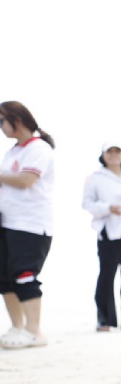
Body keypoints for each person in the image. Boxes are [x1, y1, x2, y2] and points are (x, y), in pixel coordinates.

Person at [0, 101, 56, 350]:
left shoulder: (39, 149)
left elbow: (25, 180)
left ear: (17, 120)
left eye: (2, 121)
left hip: (31, 223)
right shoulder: (12, 152)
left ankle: (35, 332)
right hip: (7, 221)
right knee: (4, 278)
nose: (0, 127)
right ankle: (17, 327)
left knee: (25, 275)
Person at [82, 144, 121, 331]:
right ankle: (105, 319)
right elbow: (86, 203)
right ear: (103, 155)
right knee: (107, 276)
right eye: (109, 152)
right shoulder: (94, 178)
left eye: (117, 151)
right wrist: (108, 208)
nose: (113, 155)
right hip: (109, 230)